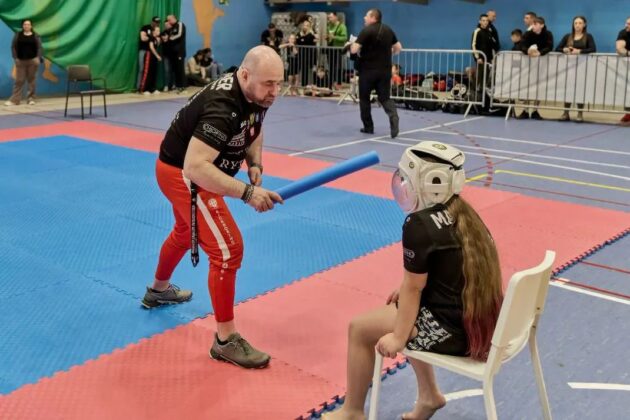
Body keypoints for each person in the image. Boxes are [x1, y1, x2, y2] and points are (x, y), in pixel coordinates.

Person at [322, 141, 503, 420]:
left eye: (408, 180)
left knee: (359, 329)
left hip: (456, 335)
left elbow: (413, 287)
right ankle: (429, 395)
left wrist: (398, 337)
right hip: (481, 326)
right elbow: (448, 272)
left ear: (429, 182)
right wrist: (406, 299)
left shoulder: (419, 223)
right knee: (404, 308)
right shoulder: (466, 213)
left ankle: (352, 411)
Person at [143, 46, 284, 370]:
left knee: (184, 232)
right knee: (228, 250)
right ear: (245, 75)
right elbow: (195, 167)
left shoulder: (256, 93)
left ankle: (158, 291)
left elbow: (253, 128)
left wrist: (254, 162)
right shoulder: (223, 107)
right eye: (269, 84)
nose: (275, 92)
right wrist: (248, 193)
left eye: (279, 83)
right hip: (183, 173)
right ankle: (225, 340)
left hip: (194, 170)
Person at [351, 8, 402, 138]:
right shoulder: (388, 30)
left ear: (373, 17)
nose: (364, 18)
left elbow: (354, 50)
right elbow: (398, 48)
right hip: (385, 71)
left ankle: (368, 127)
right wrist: (389, 53)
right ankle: (393, 116)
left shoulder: (366, 31)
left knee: (364, 99)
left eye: (366, 16)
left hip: (368, 71)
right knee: (385, 98)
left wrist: (351, 44)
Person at [556, 16, 597, 122]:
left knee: (580, 90)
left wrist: (579, 51)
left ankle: (580, 113)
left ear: (584, 25)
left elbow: (593, 49)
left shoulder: (588, 36)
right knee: (568, 90)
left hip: (583, 68)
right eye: (575, 23)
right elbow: (557, 48)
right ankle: (566, 112)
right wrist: (564, 49)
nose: (577, 25)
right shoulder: (567, 36)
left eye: (580, 23)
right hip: (569, 68)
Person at [518, 16, 553, 120]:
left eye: (535, 24)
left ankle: (535, 110)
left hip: (542, 64)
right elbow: (522, 45)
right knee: (526, 86)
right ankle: (525, 109)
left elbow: (549, 46)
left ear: (541, 25)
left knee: (539, 87)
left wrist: (540, 53)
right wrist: (527, 51)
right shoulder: (528, 34)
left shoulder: (548, 34)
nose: (533, 26)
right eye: (533, 24)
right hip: (528, 64)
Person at [5, 19, 42, 106]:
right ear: (22, 26)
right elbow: (13, 47)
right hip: (20, 61)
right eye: (25, 24)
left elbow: (39, 47)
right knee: (19, 80)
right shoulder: (18, 35)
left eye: (28, 24)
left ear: (31, 26)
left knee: (31, 80)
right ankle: (15, 100)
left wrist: (37, 58)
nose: (26, 26)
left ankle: (31, 98)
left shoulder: (36, 36)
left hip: (33, 61)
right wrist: (15, 58)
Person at [471, 14, 496, 96]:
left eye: (487, 21)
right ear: (480, 21)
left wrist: (492, 58)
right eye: (483, 20)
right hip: (481, 59)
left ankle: (483, 95)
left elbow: (491, 46)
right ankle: (475, 94)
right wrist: (477, 58)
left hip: (488, 59)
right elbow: (473, 45)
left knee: (486, 77)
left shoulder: (489, 32)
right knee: (479, 77)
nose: (485, 22)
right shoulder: (477, 31)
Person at [137, 16, 161, 92]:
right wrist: (151, 37)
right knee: (142, 69)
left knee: (151, 70)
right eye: (155, 22)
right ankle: (139, 87)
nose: (156, 24)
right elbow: (143, 38)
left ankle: (150, 87)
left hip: (151, 53)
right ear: (152, 21)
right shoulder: (145, 28)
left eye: (158, 23)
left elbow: (157, 41)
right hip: (144, 50)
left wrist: (153, 37)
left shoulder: (157, 32)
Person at [166, 14, 186, 93]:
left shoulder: (180, 24)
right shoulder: (172, 27)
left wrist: (170, 38)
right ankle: (178, 86)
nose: (168, 21)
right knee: (176, 70)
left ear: (173, 18)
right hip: (173, 52)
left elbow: (179, 34)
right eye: (168, 20)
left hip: (180, 52)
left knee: (180, 69)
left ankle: (182, 86)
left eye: (169, 20)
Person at [616, 17, 630, 123]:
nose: (626, 25)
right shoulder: (623, 33)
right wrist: (628, 53)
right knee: (627, 90)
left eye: (629, 24)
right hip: (627, 66)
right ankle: (628, 113)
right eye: (626, 23)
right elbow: (619, 48)